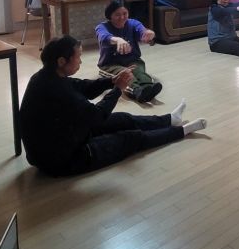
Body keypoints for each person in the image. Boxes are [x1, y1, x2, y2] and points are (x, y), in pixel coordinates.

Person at [20, 35, 207, 177]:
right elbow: (97, 115)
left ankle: (170, 119)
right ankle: (182, 131)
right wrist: (118, 89)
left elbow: (83, 87)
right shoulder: (57, 90)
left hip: (65, 136)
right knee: (131, 138)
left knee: (124, 119)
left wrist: (113, 81)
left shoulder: (49, 75)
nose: (81, 61)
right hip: (61, 159)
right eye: (78, 57)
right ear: (62, 61)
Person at [96, 0, 162, 103]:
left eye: (125, 13)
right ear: (110, 15)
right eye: (117, 15)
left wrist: (148, 34)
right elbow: (104, 37)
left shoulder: (133, 23)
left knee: (140, 72)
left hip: (133, 60)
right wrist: (117, 40)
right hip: (110, 64)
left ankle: (148, 88)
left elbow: (142, 30)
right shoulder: (102, 27)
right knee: (126, 75)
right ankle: (137, 91)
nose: (122, 17)